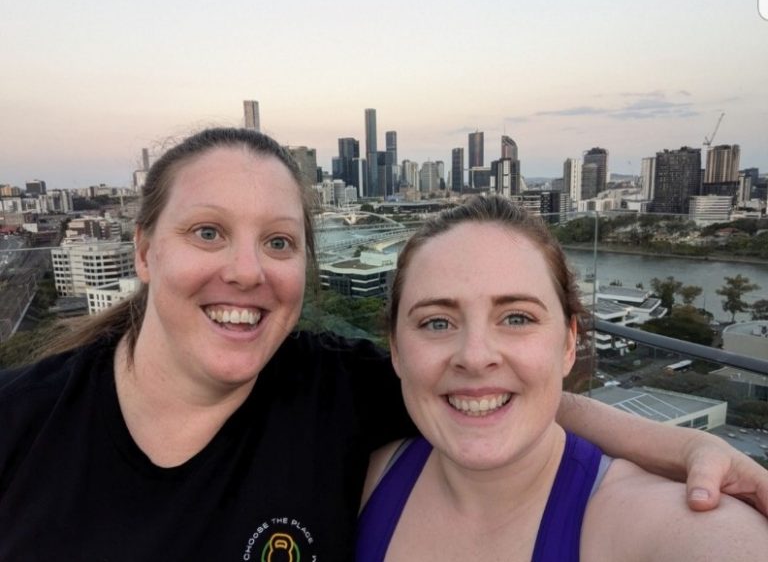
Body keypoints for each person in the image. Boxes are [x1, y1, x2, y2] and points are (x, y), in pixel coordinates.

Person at [0, 129, 765, 561]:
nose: (246, 271)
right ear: (143, 251)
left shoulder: (332, 394)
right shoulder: (22, 425)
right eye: (208, 232)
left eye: (278, 241)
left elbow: (493, 396)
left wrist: (685, 448)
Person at [357, 195, 768, 561]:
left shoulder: (658, 523)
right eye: (436, 323)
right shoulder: (356, 481)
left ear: (569, 343)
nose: (475, 357)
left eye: (517, 318)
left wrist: (689, 445)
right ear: (396, 350)